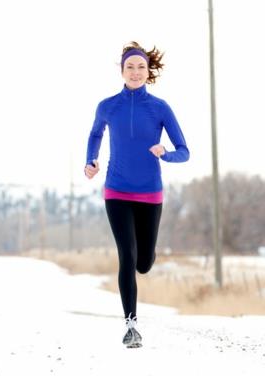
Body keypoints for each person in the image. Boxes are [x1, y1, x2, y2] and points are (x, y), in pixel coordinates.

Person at [84, 41, 189, 348]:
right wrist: (91, 161)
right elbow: (95, 134)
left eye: (140, 66)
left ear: (148, 71)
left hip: (150, 194)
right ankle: (131, 325)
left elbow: (184, 151)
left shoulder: (159, 108)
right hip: (116, 190)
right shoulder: (108, 106)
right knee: (127, 256)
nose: (135, 71)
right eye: (129, 66)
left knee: (143, 261)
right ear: (122, 70)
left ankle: (148, 257)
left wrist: (165, 153)